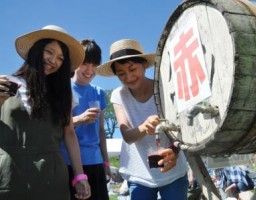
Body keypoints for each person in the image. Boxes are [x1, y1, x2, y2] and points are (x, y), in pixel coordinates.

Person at [0, 25, 90, 200]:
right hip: (9, 174)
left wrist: (80, 176)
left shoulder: (63, 94)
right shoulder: (6, 83)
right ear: (36, 51)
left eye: (60, 58)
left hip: (52, 176)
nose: (53, 60)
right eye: (49, 52)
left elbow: (70, 134)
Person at [96, 39, 188, 200]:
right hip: (139, 174)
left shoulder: (164, 89)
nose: (129, 77)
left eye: (132, 69)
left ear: (144, 65)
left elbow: (182, 128)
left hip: (173, 171)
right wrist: (144, 127)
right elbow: (127, 135)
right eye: (121, 73)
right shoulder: (119, 95)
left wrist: (174, 150)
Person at [60, 39, 110, 200]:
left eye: (94, 65)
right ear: (75, 63)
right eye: (85, 64)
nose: (90, 70)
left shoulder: (99, 92)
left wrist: (106, 163)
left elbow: (101, 131)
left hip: (95, 161)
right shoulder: (62, 88)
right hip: (69, 164)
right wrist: (79, 119)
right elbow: (55, 126)